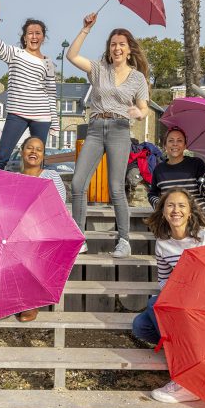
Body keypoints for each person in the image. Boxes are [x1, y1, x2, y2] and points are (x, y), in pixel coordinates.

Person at [66, 13, 150, 259]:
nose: (117, 47)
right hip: (95, 128)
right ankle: (79, 239)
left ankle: (124, 240)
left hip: (120, 129)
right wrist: (85, 29)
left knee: (115, 187)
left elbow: (144, 108)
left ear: (129, 49)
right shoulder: (98, 69)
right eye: (113, 44)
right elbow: (71, 56)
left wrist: (138, 112)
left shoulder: (137, 78)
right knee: (79, 184)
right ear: (109, 48)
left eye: (121, 44)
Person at [132, 188, 205, 403]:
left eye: (181, 205)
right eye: (170, 205)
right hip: (180, 299)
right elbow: (164, 280)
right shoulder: (163, 243)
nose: (176, 210)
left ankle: (186, 380)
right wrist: (175, 300)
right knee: (140, 326)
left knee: (154, 306)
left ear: (190, 211)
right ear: (162, 212)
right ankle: (182, 348)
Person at [0, 0, 58, 170]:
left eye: (38, 33)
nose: (34, 36)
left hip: (41, 115)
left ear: (43, 37)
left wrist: (54, 123)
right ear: (24, 37)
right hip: (17, 113)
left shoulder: (48, 63)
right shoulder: (15, 54)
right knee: (1, 157)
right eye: (30, 33)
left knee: (38, 161)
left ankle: (35, 195)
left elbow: (51, 93)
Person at [15, 136, 67, 322]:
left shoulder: (52, 176)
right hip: (19, 229)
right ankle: (11, 300)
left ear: (43, 155)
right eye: (30, 148)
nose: (34, 152)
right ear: (22, 152)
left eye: (38, 149)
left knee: (32, 249)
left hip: (46, 228)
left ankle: (31, 302)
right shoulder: (14, 178)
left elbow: (59, 206)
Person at [147, 126, 205, 215]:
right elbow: (152, 194)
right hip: (174, 219)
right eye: (171, 140)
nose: (175, 144)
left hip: (198, 217)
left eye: (179, 140)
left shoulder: (196, 164)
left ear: (185, 145)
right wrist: (161, 206)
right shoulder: (159, 169)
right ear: (165, 145)